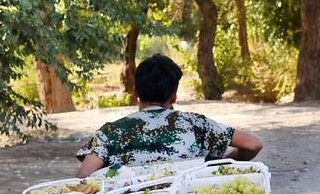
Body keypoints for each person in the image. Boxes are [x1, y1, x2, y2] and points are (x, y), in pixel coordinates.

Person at [75, 54, 262, 177]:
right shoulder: (196, 124)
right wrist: (217, 164)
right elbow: (253, 144)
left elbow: (84, 176)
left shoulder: (110, 132)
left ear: (135, 93)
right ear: (174, 95)